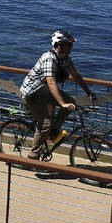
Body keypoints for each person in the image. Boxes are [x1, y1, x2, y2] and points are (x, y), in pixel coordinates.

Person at [19, 30, 96, 159]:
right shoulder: (49, 58)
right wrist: (62, 104)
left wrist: (88, 92)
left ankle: (53, 131)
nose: (71, 47)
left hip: (44, 91)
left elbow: (75, 75)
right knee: (45, 124)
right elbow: (51, 83)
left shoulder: (64, 58)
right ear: (59, 45)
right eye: (69, 44)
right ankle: (33, 154)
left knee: (71, 101)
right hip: (31, 92)